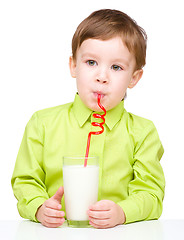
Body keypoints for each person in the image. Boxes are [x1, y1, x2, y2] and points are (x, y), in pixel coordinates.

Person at [11, 9, 165, 229]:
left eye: (116, 67)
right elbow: (25, 180)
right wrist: (38, 207)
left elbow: (151, 194)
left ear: (134, 77)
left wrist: (123, 212)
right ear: (74, 65)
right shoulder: (42, 124)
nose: (102, 77)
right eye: (91, 62)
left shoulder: (143, 132)